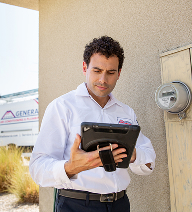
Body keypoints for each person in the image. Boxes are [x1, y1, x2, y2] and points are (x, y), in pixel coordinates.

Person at [29, 36, 156, 212]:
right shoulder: (62, 107)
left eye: (111, 72)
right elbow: (37, 168)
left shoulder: (126, 112)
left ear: (119, 73)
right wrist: (71, 167)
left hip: (120, 204)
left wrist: (132, 155)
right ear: (84, 67)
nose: (103, 79)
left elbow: (149, 162)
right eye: (97, 70)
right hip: (77, 205)